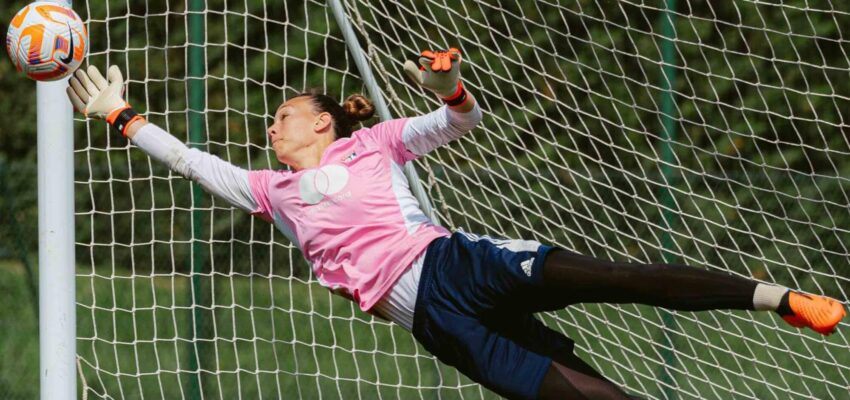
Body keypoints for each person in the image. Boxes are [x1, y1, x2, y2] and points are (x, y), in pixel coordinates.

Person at [66, 48, 846, 400]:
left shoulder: (374, 143)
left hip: (454, 265)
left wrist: (451, 86)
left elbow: (459, 123)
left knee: (615, 276)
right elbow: (195, 164)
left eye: (283, 116)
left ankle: (781, 300)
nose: (272, 127)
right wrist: (120, 116)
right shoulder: (270, 191)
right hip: (435, 320)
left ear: (323, 126)